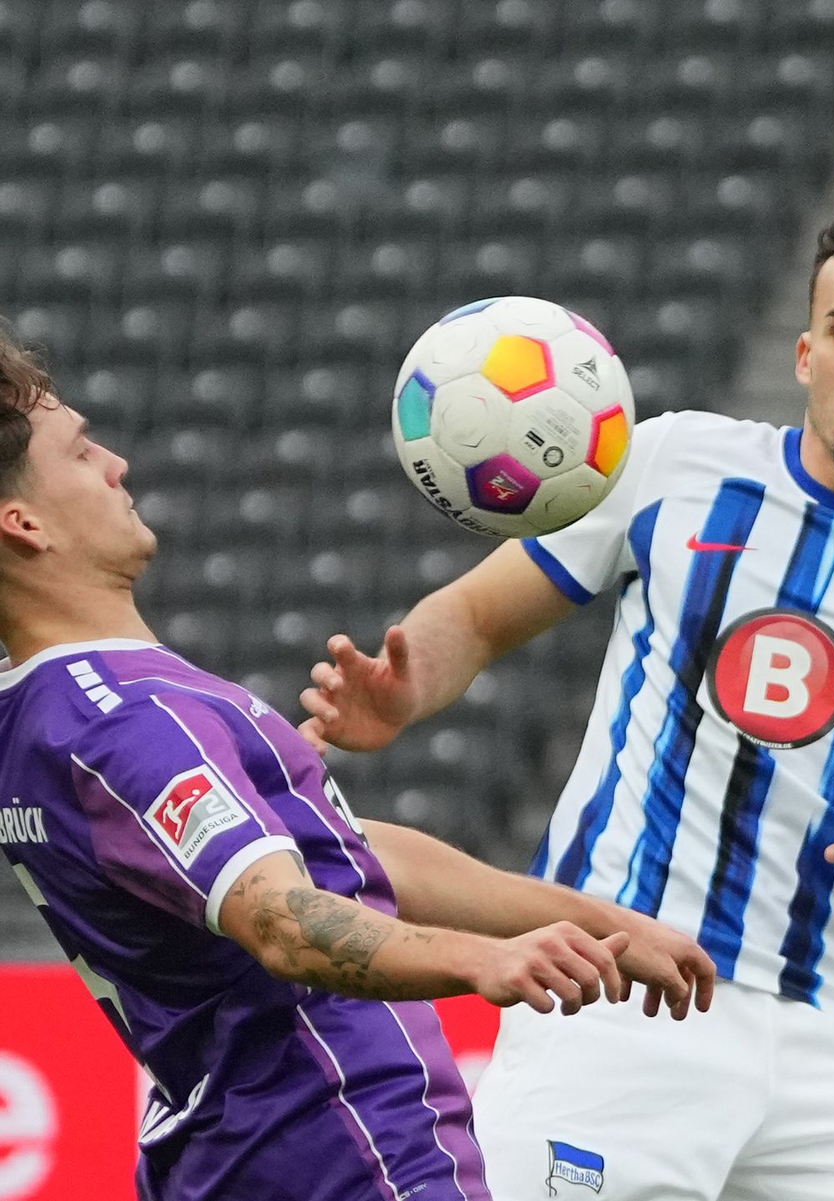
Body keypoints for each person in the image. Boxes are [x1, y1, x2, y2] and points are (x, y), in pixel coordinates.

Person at [300, 198, 834, 1201]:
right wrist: (407, 691)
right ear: (806, 354)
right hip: (618, 1003)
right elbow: (480, 617)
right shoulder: (671, 464)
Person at [0, 337, 716, 1201]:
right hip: (340, 1141)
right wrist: (481, 961)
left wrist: (594, 919)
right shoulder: (128, 718)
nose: (115, 462)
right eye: (80, 450)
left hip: (241, 1154)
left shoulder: (51, 712)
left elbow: (347, 851)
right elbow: (288, 920)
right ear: (24, 523)